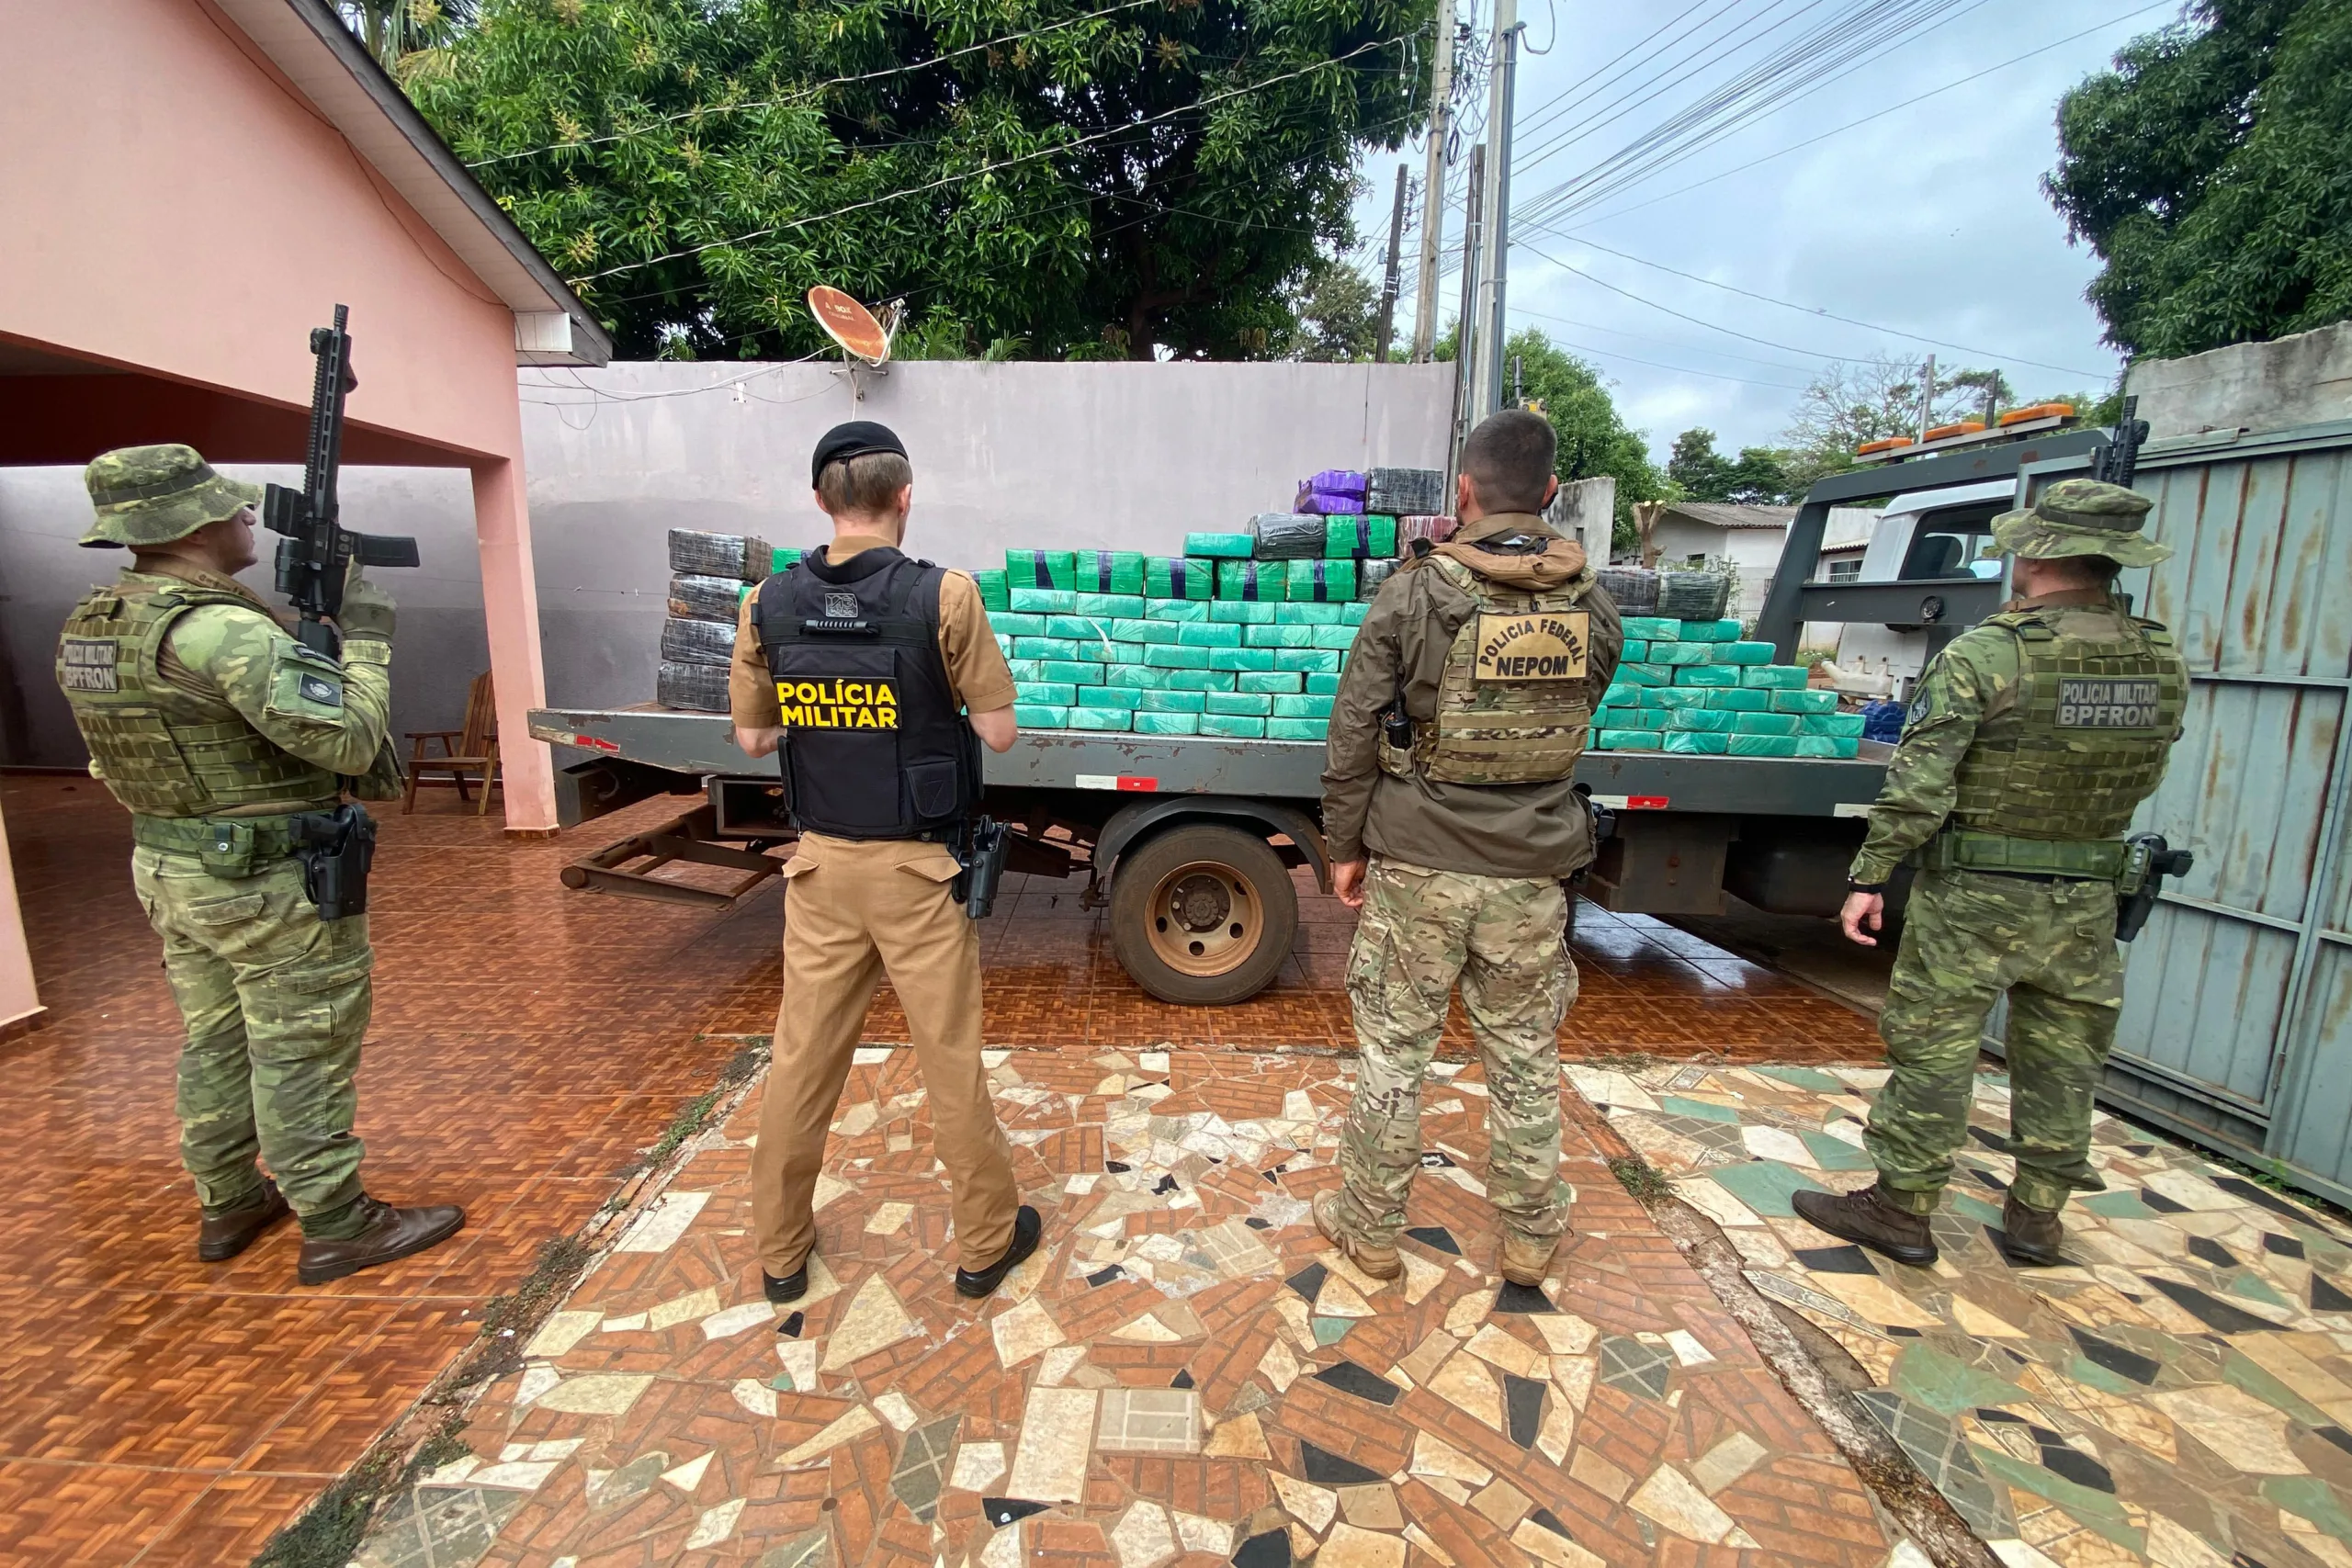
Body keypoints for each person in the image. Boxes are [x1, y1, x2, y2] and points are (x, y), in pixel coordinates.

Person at [54, 445, 464, 1282]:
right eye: (232, 508)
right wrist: (371, 640)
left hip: (172, 867)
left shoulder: (96, 623)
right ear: (194, 524)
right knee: (301, 1043)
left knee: (213, 1040)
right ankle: (338, 1220)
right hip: (265, 880)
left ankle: (230, 1197)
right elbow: (347, 736)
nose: (247, 518)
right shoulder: (222, 631)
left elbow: (111, 758)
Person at [1793, 477, 2188, 1269]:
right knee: (2066, 1057)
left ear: (2036, 554)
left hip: (1976, 889)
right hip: (2088, 892)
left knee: (1937, 1045)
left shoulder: (1989, 654)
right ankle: (2039, 1216)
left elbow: (1921, 781)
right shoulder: (2157, 656)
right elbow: (2146, 766)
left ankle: (1902, 1206)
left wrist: (1870, 876)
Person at [731, 421, 1040, 1303]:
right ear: (905, 497)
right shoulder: (944, 596)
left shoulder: (768, 603)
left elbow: (754, 738)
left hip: (821, 868)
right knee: (948, 1060)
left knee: (800, 1062)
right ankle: (984, 1245)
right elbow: (998, 731)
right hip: (918, 874)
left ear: (821, 502)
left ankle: (782, 1255)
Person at [1315, 411, 1623, 1288]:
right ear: (1553, 491)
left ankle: (1370, 1230)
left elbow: (1355, 728)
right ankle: (1529, 1238)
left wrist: (1345, 843)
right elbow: (1576, 710)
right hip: (1532, 871)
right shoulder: (1592, 603)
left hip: (1419, 864)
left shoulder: (1416, 592)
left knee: (1393, 1055)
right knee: (1524, 1052)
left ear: (1465, 490)